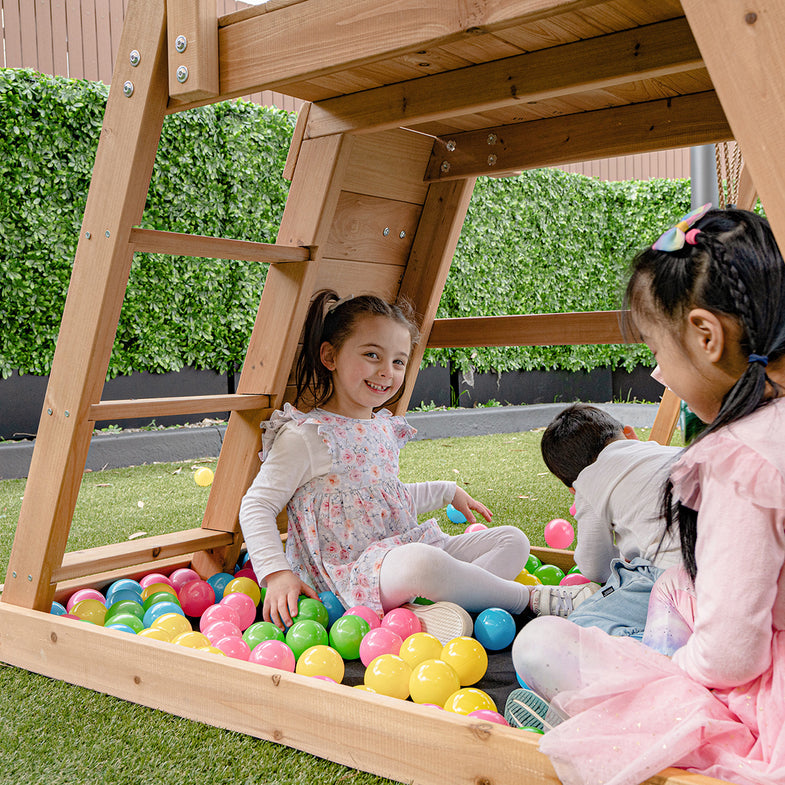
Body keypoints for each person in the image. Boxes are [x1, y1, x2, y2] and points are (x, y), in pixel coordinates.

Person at [505, 206, 785, 785]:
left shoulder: (743, 462)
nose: (660, 373)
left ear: (706, 337)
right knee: (676, 588)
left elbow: (732, 656)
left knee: (540, 645)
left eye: (660, 354)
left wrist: (668, 668)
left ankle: (614, 722)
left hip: (761, 698)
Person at [239, 289, 535, 644]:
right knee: (422, 563)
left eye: (398, 361)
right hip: (348, 575)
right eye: (372, 355)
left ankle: (430, 612)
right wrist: (276, 573)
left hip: (397, 555)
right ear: (330, 356)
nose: (386, 372)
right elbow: (257, 505)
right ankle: (529, 600)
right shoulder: (307, 436)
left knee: (512, 541)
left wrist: (446, 491)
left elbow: (382, 498)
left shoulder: (383, 426)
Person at [539, 403, 681, 637]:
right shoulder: (666, 452)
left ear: (573, 487)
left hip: (677, 578)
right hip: (739, 565)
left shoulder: (588, 481)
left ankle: (662, 645)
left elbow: (596, 566)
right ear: (629, 433)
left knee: (580, 626)